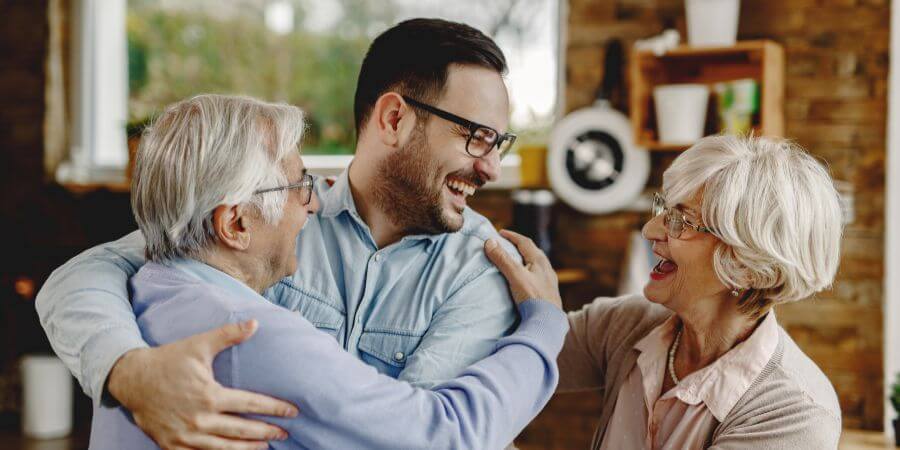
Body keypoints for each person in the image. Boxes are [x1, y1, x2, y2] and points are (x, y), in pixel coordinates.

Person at [36, 19, 524, 449]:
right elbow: (83, 276)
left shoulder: (482, 267)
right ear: (394, 119)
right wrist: (129, 371)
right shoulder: (267, 217)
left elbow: (421, 438)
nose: (492, 168)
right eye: (476, 136)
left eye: (500, 142)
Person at [90, 93, 566, 450]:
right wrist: (545, 325)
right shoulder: (246, 334)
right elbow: (446, 435)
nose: (316, 202)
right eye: (299, 186)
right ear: (235, 223)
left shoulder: (147, 288)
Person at [487, 135, 844, 449]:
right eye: (664, 210)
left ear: (750, 263)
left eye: (681, 221)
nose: (650, 230)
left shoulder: (796, 414)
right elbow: (492, 361)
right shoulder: (626, 324)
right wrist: (540, 318)